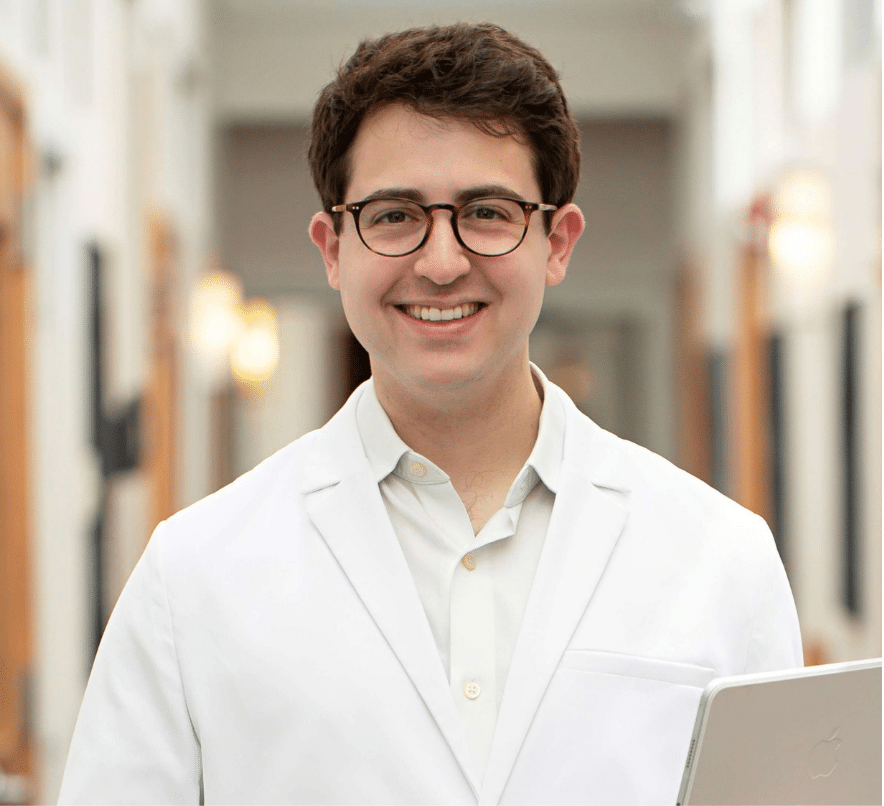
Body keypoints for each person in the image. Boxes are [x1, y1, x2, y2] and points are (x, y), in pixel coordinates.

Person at [59, 22, 802, 805]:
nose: (442, 263)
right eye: (393, 215)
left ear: (557, 242)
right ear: (332, 248)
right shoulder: (193, 574)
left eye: (487, 212)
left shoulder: (722, 558)